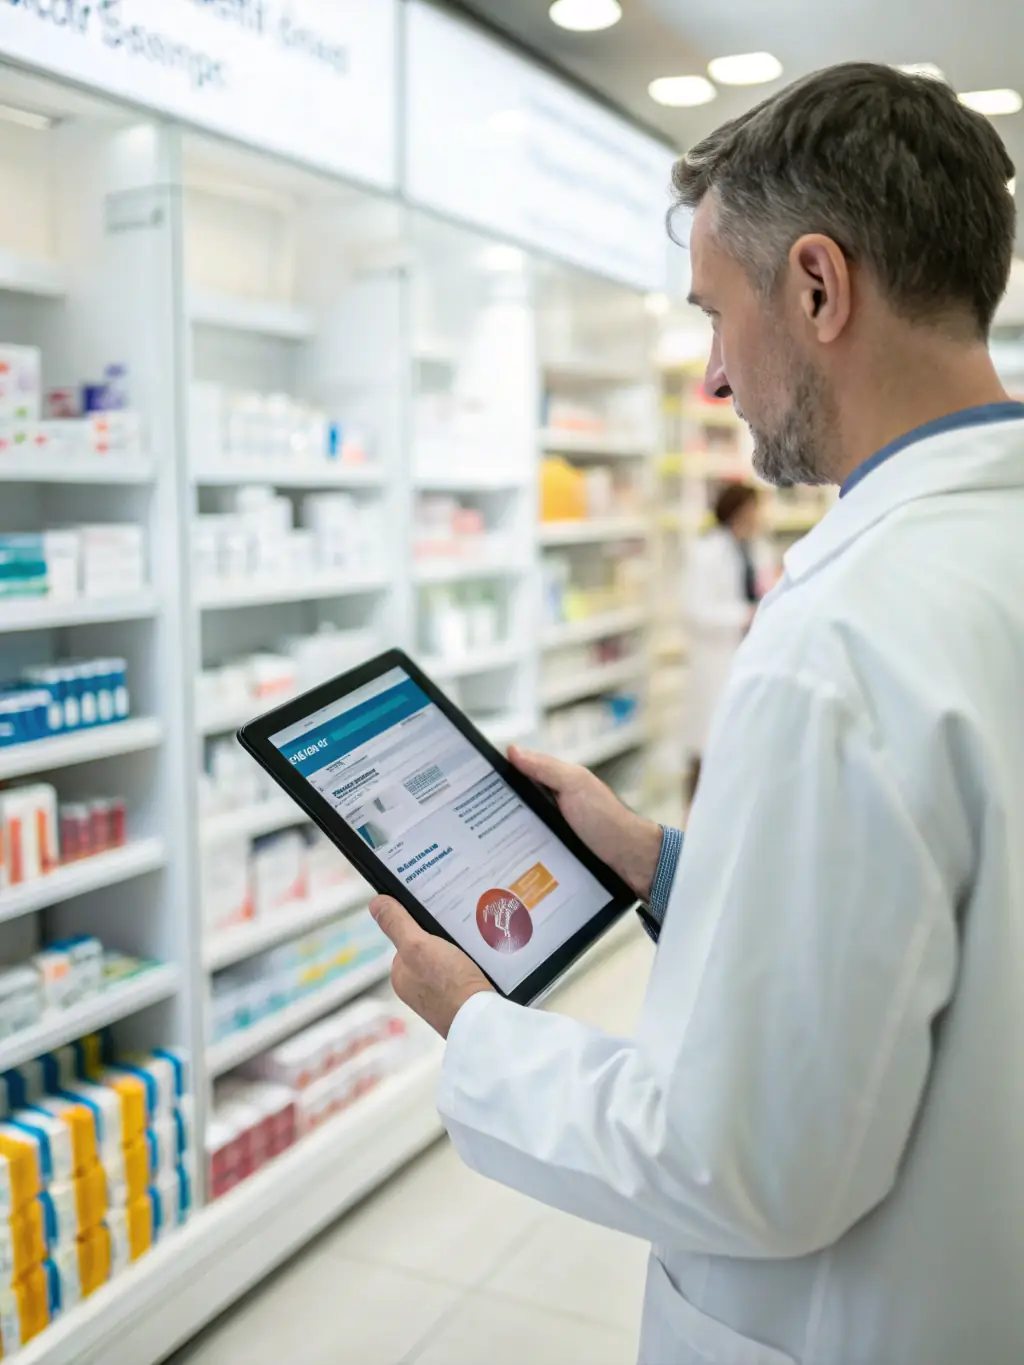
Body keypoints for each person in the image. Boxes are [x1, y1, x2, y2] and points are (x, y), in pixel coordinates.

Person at [371, 62, 1024, 1365]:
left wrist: (474, 1026)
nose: (717, 377)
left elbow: (748, 1165)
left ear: (819, 288)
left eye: (716, 316)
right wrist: (665, 865)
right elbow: (938, 913)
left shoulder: (842, 636)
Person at [683, 481, 770, 803]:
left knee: (737, 745)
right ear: (739, 511)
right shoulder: (707, 551)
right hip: (715, 658)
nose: (760, 516)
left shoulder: (755, 548)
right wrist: (745, 614)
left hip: (746, 654)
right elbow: (696, 610)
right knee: (707, 749)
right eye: (755, 509)